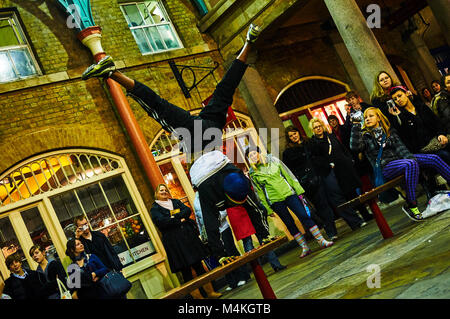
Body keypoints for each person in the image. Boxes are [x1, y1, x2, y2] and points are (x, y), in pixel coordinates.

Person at [82, 24, 269, 265]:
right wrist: (261, 235)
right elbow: (231, 215)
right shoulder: (223, 192)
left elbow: (213, 225)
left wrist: (223, 253)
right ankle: (113, 73)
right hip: (202, 145)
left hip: (206, 136)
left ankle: (248, 41)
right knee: (163, 103)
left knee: (215, 90)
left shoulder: (223, 188)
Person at [350, 107, 450, 221]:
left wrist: (414, 161)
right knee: (410, 164)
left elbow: (401, 149)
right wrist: (356, 125)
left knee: (434, 158)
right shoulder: (365, 136)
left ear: (378, 117)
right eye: (365, 117)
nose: (367, 119)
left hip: (402, 160)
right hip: (386, 166)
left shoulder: (388, 131)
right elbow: (355, 147)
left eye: (371, 116)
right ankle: (411, 204)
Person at [246, 146, 334, 258]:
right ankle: (304, 247)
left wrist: (298, 190)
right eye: (250, 156)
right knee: (289, 224)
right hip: (275, 201)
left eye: (254, 153)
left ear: (259, 153)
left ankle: (321, 240)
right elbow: (259, 193)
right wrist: (267, 209)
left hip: (289, 194)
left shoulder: (274, 161)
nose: (253, 156)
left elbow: (288, 175)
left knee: (304, 216)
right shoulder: (253, 173)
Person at [151, 184, 221, 299]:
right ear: (156, 193)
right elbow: (162, 222)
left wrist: (174, 217)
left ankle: (210, 293)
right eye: (161, 190)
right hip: (175, 244)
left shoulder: (175, 201)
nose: (164, 192)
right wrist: (179, 219)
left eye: (165, 190)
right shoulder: (155, 209)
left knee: (199, 266)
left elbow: (187, 210)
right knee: (186, 272)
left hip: (189, 239)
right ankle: (199, 298)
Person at [308, 118, 368, 228]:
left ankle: (365, 215)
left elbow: (342, 148)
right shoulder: (313, 144)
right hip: (331, 173)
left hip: (344, 168)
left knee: (353, 193)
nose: (318, 129)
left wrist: (349, 159)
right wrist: (328, 164)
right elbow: (316, 160)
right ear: (312, 130)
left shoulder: (330, 136)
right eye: (315, 127)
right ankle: (355, 222)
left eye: (319, 126)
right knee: (341, 198)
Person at [282, 126, 339, 239]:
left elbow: (322, 155)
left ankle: (349, 224)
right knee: (321, 205)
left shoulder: (310, 142)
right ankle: (331, 231)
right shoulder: (288, 152)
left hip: (323, 175)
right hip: (309, 182)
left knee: (334, 199)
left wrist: (327, 165)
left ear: (298, 132)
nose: (294, 136)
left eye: (295, 133)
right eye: (291, 136)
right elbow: (289, 170)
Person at [193, 192, 251, 291]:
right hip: (212, 234)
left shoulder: (211, 194)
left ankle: (243, 276)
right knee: (221, 257)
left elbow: (224, 211)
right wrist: (203, 233)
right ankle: (232, 282)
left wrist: (214, 221)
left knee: (231, 251)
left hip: (223, 228)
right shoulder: (195, 201)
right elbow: (198, 218)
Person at [387, 85, 450, 165]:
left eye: (399, 96)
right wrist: (400, 116)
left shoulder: (421, 107)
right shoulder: (400, 117)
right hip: (424, 149)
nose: (398, 100)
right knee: (444, 155)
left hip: (437, 139)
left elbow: (437, 122)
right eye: (395, 99)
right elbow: (411, 137)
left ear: (406, 93)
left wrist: (441, 134)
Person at [226, 204, 287, 272]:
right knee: (249, 241)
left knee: (261, 239)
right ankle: (261, 271)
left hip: (246, 209)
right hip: (239, 210)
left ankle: (271, 267)